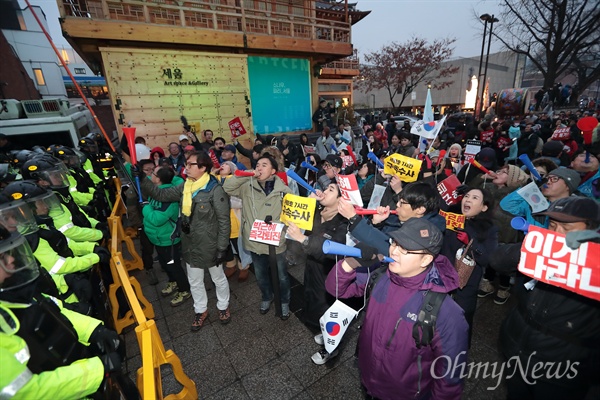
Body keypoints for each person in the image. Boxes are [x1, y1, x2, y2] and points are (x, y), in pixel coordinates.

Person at [324, 218, 468, 399]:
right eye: (394, 243)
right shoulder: (380, 275)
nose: (394, 251)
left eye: (405, 249)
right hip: (369, 380)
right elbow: (335, 288)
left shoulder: (447, 313)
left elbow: (449, 378)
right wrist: (351, 263)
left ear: (426, 259)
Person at [495, 197, 600, 399]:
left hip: (563, 368)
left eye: (567, 228)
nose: (557, 233)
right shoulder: (538, 250)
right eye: (552, 224)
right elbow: (497, 260)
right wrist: (529, 250)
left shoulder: (595, 268)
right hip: (515, 348)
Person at [139, 151, 232, 330]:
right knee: (195, 280)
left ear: (203, 168)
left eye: (191, 165)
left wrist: (222, 248)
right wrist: (143, 178)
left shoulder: (215, 189)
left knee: (218, 278)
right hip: (190, 244)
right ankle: (201, 310)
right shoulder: (185, 186)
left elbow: (223, 220)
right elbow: (161, 196)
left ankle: (223, 306)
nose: (186, 168)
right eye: (186, 164)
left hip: (210, 244)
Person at [222, 154, 292, 319]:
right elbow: (227, 187)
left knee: (282, 276)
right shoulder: (247, 185)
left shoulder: (282, 189)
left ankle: (284, 301)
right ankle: (267, 297)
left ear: (273, 171)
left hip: (276, 241)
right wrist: (246, 173)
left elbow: (294, 213)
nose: (259, 167)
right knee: (260, 275)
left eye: (264, 165)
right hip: (255, 241)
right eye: (257, 164)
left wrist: (284, 229)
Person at [285, 182, 349, 364]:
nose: (324, 191)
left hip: (329, 275)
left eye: (331, 190)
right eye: (326, 187)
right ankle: (324, 333)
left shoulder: (343, 224)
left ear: (340, 200)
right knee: (314, 303)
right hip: (312, 269)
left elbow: (329, 251)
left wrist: (303, 239)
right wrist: (308, 203)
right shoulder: (315, 211)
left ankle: (330, 349)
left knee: (329, 312)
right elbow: (293, 224)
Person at [440, 187, 498, 345]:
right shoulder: (452, 218)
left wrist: (470, 243)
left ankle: (458, 355)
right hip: (442, 278)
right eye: (466, 196)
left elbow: (489, 259)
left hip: (465, 287)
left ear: (484, 207)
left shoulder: (489, 229)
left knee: (460, 323)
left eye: (474, 198)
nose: (468, 200)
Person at [143, 165, 191, 307]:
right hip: (157, 238)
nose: (150, 174)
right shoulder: (156, 192)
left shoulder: (169, 196)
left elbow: (157, 219)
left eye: (153, 173)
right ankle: (173, 281)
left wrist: (145, 206)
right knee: (165, 264)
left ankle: (184, 289)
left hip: (168, 240)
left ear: (159, 179)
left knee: (174, 266)